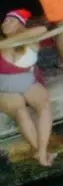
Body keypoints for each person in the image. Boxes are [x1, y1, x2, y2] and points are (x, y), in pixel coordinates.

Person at [0, 10, 57, 166]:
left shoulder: (31, 39)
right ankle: (41, 152)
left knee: (44, 105)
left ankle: (42, 151)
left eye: (10, 20)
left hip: (27, 81)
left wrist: (11, 41)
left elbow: (42, 29)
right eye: (4, 20)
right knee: (21, 112)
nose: (5, 23)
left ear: (20, 24)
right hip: (3, 86)